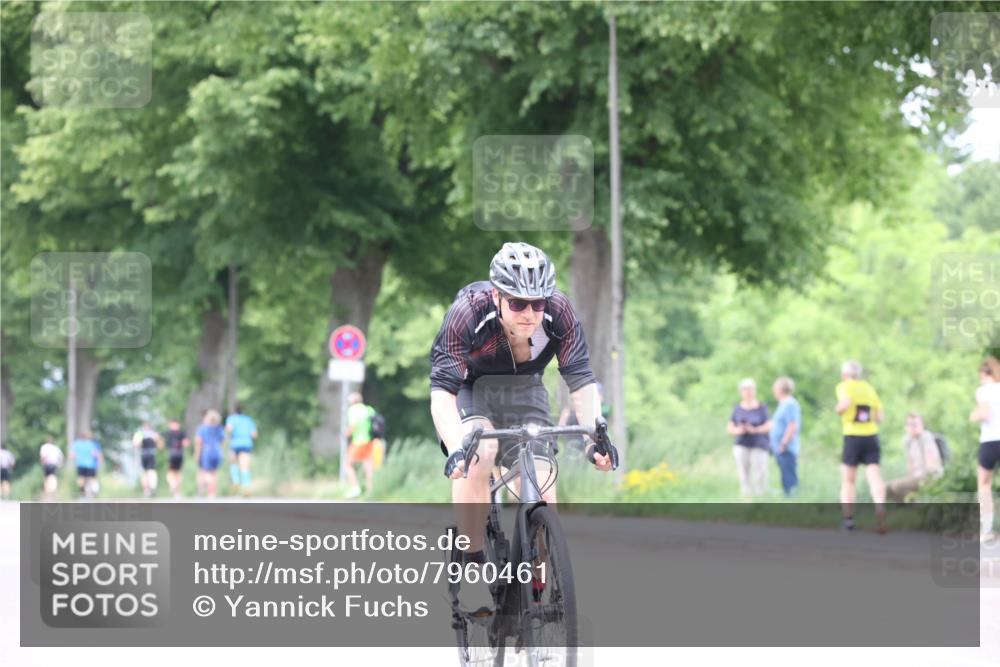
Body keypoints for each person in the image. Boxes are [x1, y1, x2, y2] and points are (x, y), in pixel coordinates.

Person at [430, 242, 616, 612]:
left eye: (538, 303)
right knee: (480, 455)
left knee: (544, 485)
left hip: (526, 388)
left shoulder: (559, 311)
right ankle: (473, 560)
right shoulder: (467, 312)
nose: (530, 313)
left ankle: (537, 586)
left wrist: (596, 435)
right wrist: (456, 450)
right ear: (497, 295)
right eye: (517, 303)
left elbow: (579, 380)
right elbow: (442, 394)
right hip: (473, 389)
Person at [836, 360, 887, 533]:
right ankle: (880, 510)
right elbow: (880, 417)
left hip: (852, 436)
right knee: (874, 477)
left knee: (849, 480)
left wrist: (839, 410)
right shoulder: (869, 388)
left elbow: (844, 404)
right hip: (871, 436)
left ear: (845, 374)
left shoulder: (844, 386)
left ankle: (848, 519)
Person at [970, 356, 1000, 542]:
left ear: (985, 373)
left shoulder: (983, 391)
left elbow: (984, 414)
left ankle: (987, 530)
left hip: (990, 441)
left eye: (980, 374)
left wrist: (973, 416)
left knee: (984, 484)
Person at [727, 378, 771, 498]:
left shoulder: (762, 407)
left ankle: (760, 497)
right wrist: (739, 430)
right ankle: (746, 498)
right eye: (746, 389)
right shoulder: (737, 408)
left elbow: (769, 425)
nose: (749, 392)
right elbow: (730, 426)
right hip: (742, 443)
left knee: (760, 472)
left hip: (759, 444)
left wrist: (755, 429)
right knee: (743, 473)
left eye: (751, 389)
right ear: (741, 392)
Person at [885, 412, 943, 502]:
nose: (912, 427)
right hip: (915, 476)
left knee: (897, 487)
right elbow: (910, 462)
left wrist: (925, 480)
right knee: (885, 488)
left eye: (915, 424)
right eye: (909, 424)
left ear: (922, 425)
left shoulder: (926, 437)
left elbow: (931, 463)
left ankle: (919, 505)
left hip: (929, 475)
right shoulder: (907, 440)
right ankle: (901, 508)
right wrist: (909, 478)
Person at [770, 376, 802, 497]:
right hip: (780, 448)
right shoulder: (783, 404)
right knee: (785, 476)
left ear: (780, 389)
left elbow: (792, 425)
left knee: (790, 478)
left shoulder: (789, 404)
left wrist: (783, 443)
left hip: (786, 448)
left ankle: (792, 502)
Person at [558, 381, 611, 453]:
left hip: (586, 444)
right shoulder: (568, 411)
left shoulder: (602, 409)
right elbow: (561, 426)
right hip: (570, 444)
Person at [344, 392, 377, 498]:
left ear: (353, 401)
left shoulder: (353, 410)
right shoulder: (369, 409)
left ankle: (355, 488)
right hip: (369, 441)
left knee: (348, 464)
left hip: (359, 441)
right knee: (368, 467)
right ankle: (370, 491)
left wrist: (346, 433)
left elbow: (353, 426)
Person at [225, 403, 258, 497]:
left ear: (234, 410)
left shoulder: (231, 418)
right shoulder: (248, 420)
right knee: (245, 466)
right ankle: (246, 487)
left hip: (235, 443)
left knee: (233, 463)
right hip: (247, 444)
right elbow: (254, 434)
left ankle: (235, 481)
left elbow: (229, 429)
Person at [195, 410, 225, 498]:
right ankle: (212, 494)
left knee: (205, 472)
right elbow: (222, 440)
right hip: (217, 451)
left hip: (207, 451)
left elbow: (199, 442)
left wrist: (197, 454)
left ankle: (205, 485)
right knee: (214, 473)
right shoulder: (219, 428)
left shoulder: (203, 428)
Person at [132, 421, 164, 498]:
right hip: (150, 454)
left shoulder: (140, 433)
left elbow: (135, 444)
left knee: (146, 473)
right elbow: (161, 446)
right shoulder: (154, 434)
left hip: (144, 454)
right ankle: (151, 488)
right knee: (150, 472)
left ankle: (147, 490)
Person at [69, 431, 103, 499]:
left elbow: (72, 456)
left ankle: (83, 494)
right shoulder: (91, 444)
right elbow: (96, 454)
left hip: (80, 464)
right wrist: (100, 461)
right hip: (91, 465)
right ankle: (93, 493)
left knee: (81, 480)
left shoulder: (76, 444)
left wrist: (77, 458)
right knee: (92, 479)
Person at [164, 419, 189, 499]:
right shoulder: (182, 433)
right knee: (178, 473)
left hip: (172, 454)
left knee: (171, 472)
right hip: (180, 454)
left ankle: (172, 486)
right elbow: (186, 443)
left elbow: (162, 443)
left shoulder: (168, 433)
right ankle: (177, 493)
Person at [39, 436, 64, 500]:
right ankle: (52, 490)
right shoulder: (56, 448)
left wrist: (42, 463)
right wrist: (60, 464)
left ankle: (48, 491)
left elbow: (42, 456)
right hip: (54, 464)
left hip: (47, 464)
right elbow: (61, 457)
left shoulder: (44, 447)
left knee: (47, 477)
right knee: (53, 477)